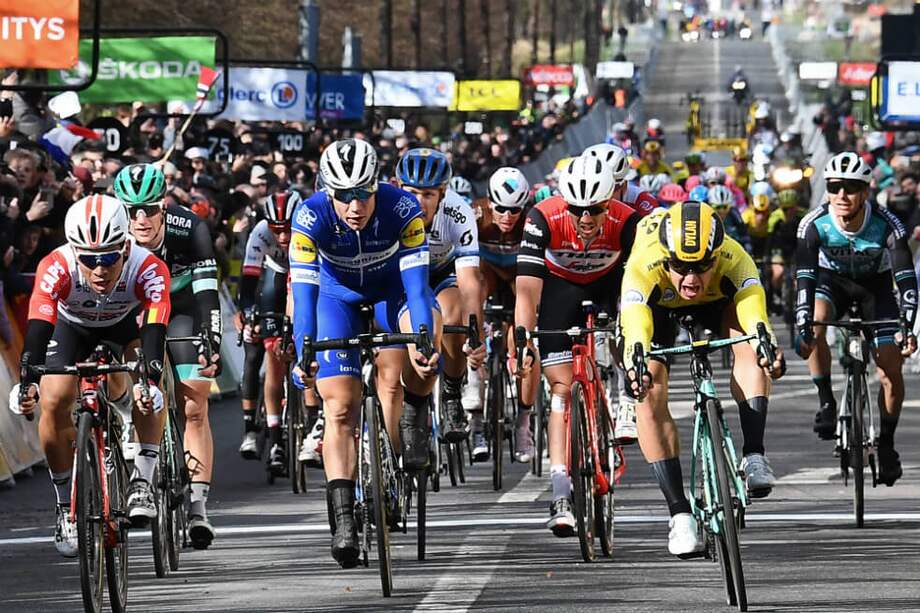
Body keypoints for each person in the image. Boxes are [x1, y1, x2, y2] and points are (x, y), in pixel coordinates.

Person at [289, 139, 441, 568]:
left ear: (378, 186)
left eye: (362, 193)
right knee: (339, 407)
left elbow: (415, 287)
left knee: (427, 328)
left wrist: (423, 339)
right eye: (343, 195)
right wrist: (305, 351)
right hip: (335, 296)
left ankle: (417, 403)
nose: (354, 205)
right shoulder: (309, 216)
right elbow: (304, 297)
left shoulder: (402, 209)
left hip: (391, 291)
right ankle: (343, 520)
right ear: (327, 190)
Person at [8, 195, 172, 557]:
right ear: (74, 251)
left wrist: (151, 374)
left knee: (147, 383)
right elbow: (38, 325)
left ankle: (142, 479)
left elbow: (156, 327)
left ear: (126, 248)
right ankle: (65, 507)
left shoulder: (149, 267)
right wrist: (28, 378)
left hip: (124, 326)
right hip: (72, 327)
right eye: (89, 260)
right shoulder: (57, 265)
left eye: (109, 258)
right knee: (53, 401)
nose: (99, 270)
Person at [620, 201, 784, 557]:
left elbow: (754, 307)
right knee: (647, 389)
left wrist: (764, 340)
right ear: (666, 259)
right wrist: (635, 357)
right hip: (658, 308)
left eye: (701, 267)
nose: (691, 278)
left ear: (716, 255)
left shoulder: (732, 255)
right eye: (680, 267)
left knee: (751, 347)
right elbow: (635, 323)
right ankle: (680, 514)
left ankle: (754, 455)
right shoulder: (644, 261)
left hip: (717, 303)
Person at [515, 155, 640, 535]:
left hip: (609, 286)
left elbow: (640, 288)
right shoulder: (542, 217)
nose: (586, 219)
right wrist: (524, 336)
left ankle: (624, 402)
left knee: (628, 334)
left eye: (596, 210)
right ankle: (559, 494)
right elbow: (527, 289)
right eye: (577, 210)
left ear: (610, 204)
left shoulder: (627, 221)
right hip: (560, 288)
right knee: (561, 390)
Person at [115, 164, 223, 549]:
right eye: (131, 210)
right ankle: (131, 417)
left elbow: (208, 291)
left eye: (149, 209)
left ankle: (198, 506)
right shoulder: (114, 234)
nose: (140, 219)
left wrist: (212, 340)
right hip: (135, 306)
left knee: (194, 404)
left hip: (182, 305)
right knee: (140, 375)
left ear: (164, 206)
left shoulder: (190, 227)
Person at [795, 152, 918, 486]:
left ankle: (888, 444)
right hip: (830, 284)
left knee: (890, 367)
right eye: (835, 187)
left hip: (874, 290)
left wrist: (907, 325)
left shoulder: (887, 224)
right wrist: (802, 321)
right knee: (816, 321)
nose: (842, 195)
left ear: (866, 191)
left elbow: (906, 278)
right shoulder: (814, 224)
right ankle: (826, 403)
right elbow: (804, 277)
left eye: (852, 188)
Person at [394, 148, 486, 444]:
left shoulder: (458, 213)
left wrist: (476, 333)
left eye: (428, 195)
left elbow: (470, 282)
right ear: (398, 188)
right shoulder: (386, 209)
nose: (418, 203)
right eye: (411, 193)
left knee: (453, 314)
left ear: (443, 193)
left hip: (442, 272)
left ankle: (451, 393)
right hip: (401, 274)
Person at [467, 166, 531, 459]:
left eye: (515, 210)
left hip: (517, 275)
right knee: (474, 287)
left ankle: (523, 424)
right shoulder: (475, 216)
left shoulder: (531, 222)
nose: (507, 216)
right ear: (490, 203)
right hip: (489, 273)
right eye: (502, 209)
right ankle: (476, 414)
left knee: (522, 339)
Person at [236, 191, 300, 476]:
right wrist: (249, 314)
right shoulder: (260, 233)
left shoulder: (309, 225)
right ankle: (269, 438)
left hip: (303, 275)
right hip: (273, 279)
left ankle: (312, 418)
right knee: (263, 354)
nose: (283, 237)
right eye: (277, 230)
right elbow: (248, 281)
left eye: (288, 229)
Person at [583, 143, 657, 217]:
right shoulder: (574, 203)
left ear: (624, 186)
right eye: (593, 188)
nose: (601, 197)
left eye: (609, 189)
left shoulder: (641, 200)